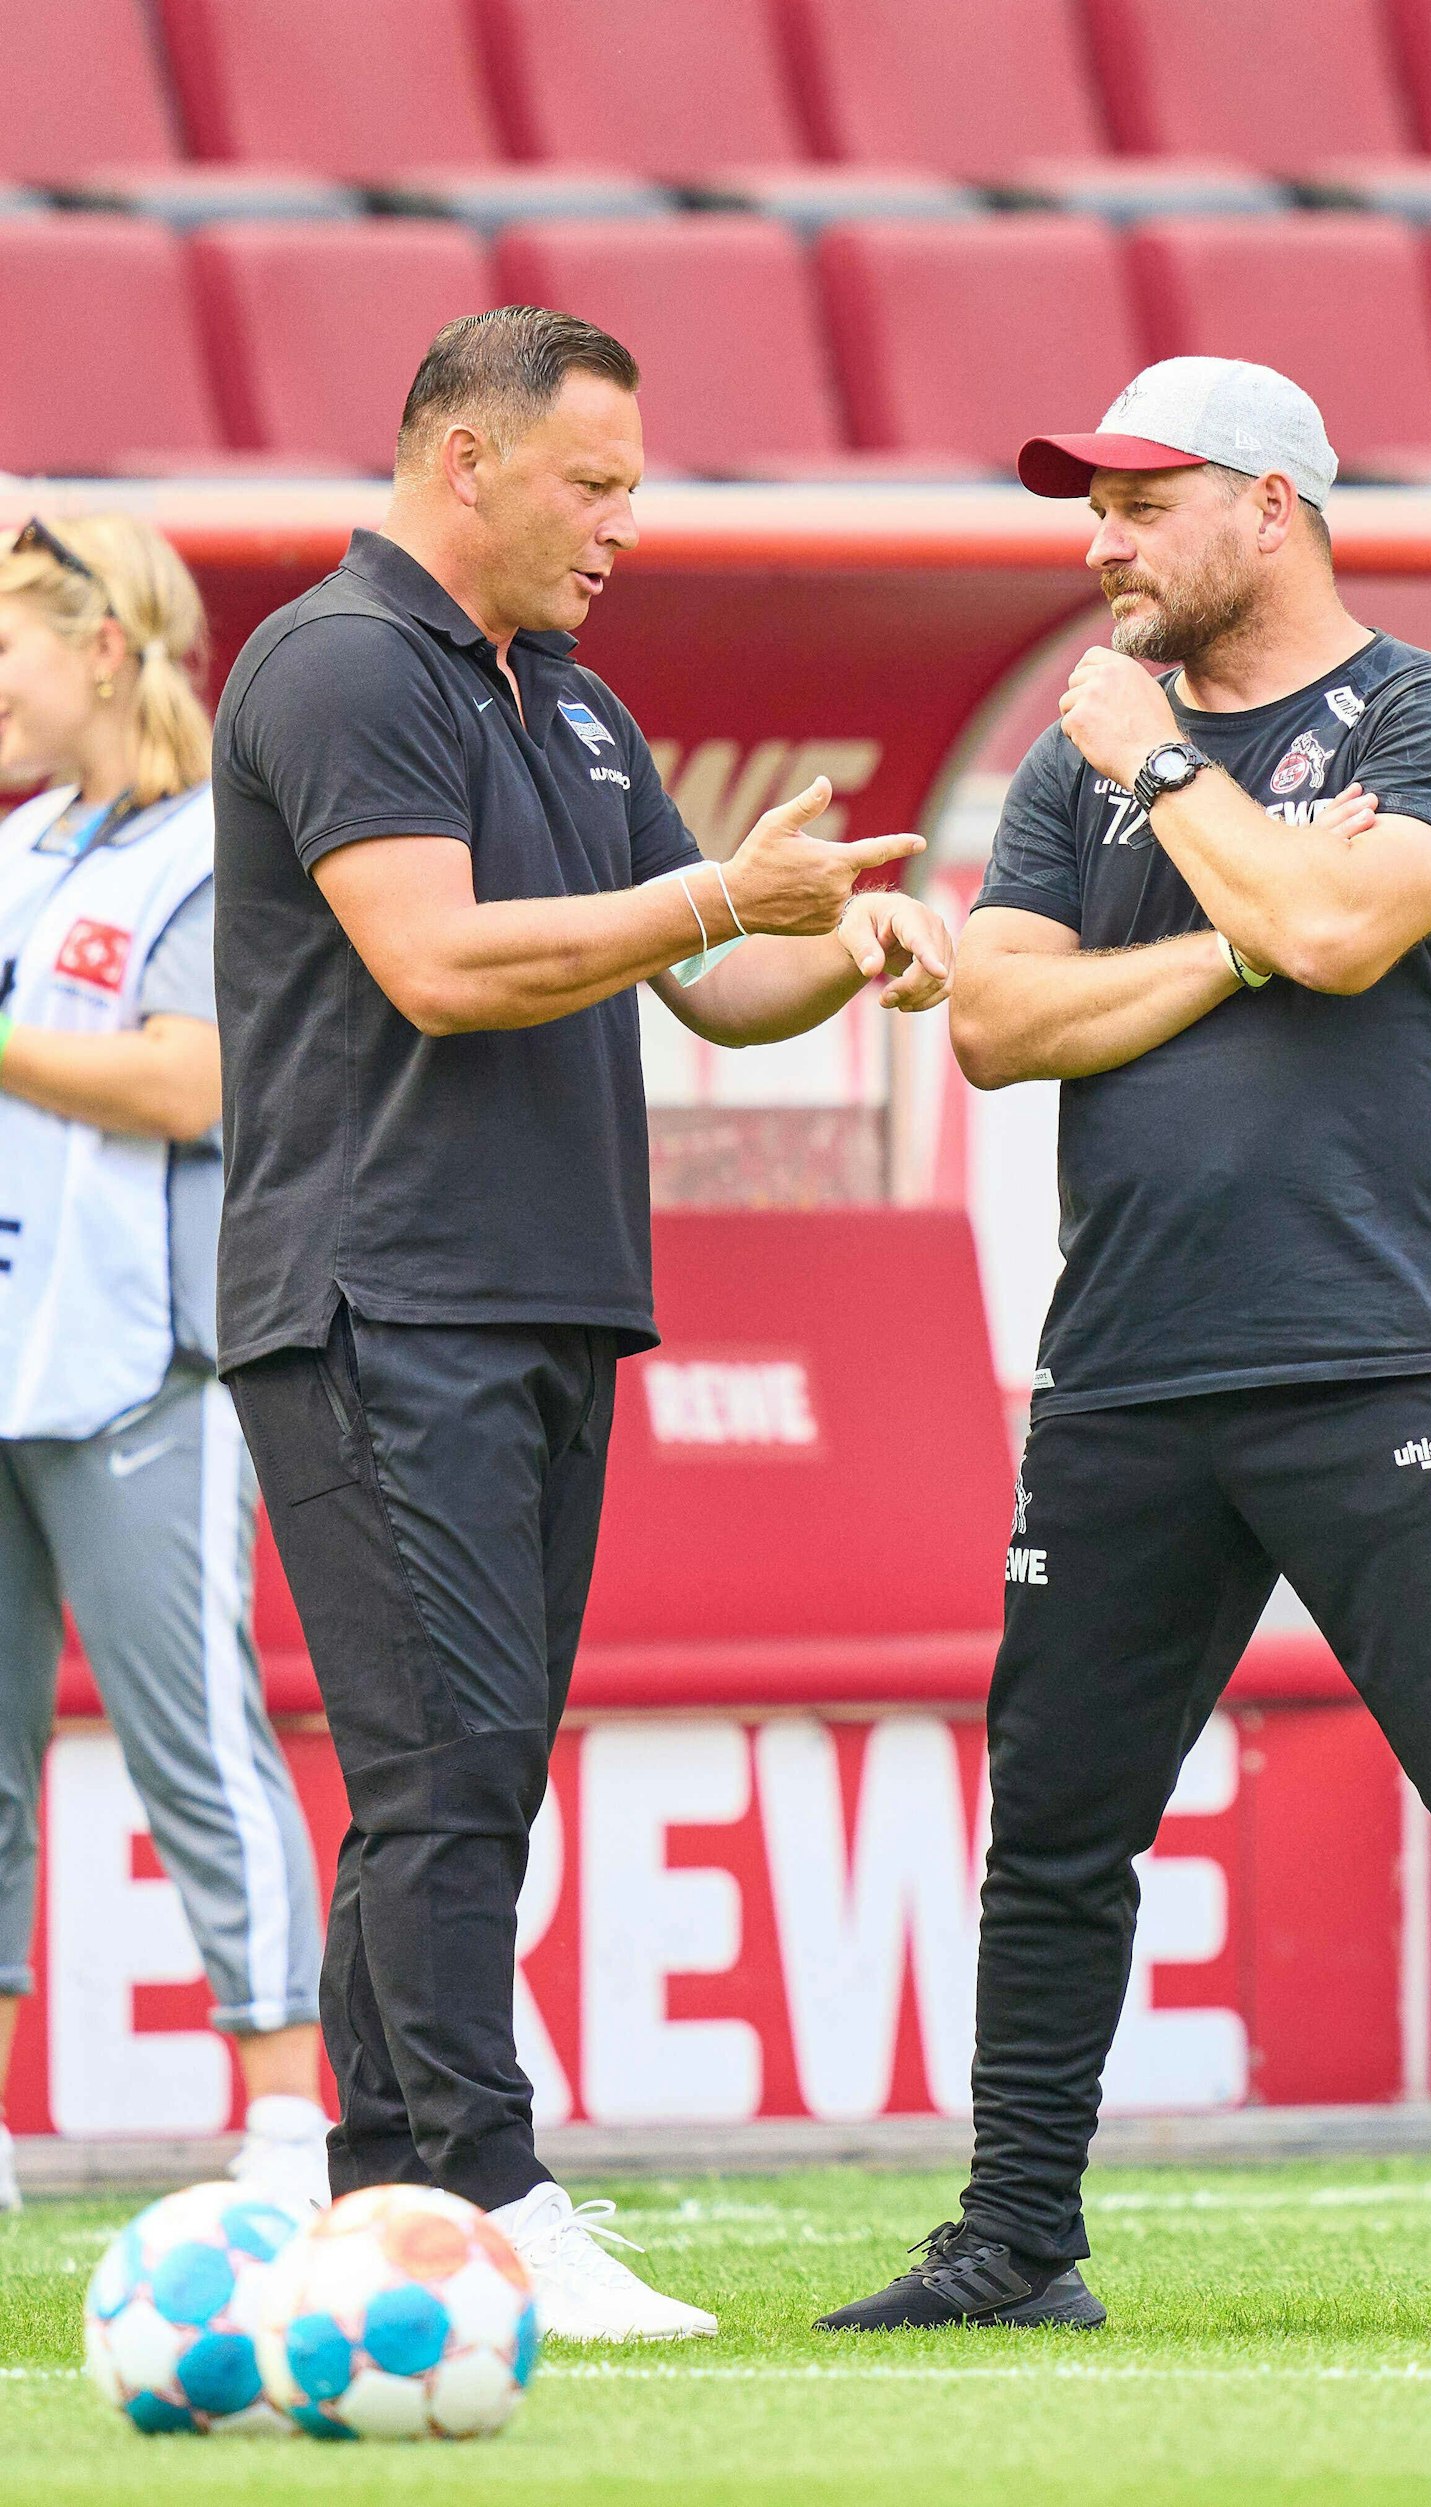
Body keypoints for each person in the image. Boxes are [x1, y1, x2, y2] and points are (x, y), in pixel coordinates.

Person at [817, 357, 1431, 2339]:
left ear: (1271, 505)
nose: (1100, 542)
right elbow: (1000, 1025)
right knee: (1057, 1823)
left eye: (1141, 502)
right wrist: (1241, 922)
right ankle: (1015, 2242)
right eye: (1089, 504)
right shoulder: (1083, 758)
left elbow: (1350, 939)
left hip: (1376, 1360)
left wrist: (1180, 797)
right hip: (1126, 1367)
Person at [212, 306, 955, 2340]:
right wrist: (723, 902)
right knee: (447, 1764)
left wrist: (836, 945)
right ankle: (483, 2188)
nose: (625, 522)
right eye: (592, 483)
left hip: (538, 1300)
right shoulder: (343, 662)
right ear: (466, 458)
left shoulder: (574, 702)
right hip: (378, 1296)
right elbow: (440, 961)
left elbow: (709, 991)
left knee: (469, 1772)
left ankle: (387, 2199)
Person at [0, 514, 328, 2215]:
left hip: (143, 1360)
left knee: (192, 1741)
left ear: (108, 648)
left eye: (8, 646)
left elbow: (193, 1084)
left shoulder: (212, 846)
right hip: (6, 1349)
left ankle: (283, 2122)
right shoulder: (25, 843)